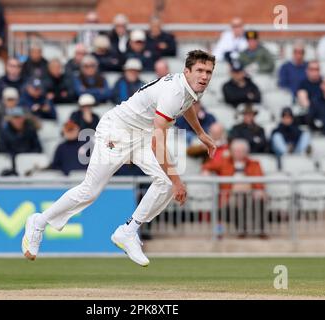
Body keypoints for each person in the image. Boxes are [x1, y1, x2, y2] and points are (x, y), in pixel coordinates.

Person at [21, 49, 217, 266]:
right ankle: (38, 222)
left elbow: (187, 104)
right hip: (117, 131)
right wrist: (178, 181)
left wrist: (200, 133)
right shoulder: (174, 91)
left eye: (208, 71)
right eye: (200, 70)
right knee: (90, 191)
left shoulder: (191, 87)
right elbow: (158, 143)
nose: (205, 76)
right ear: (186, 71)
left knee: (166, 181)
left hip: (141, 134)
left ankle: (127, 232)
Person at [202, 139, 266, 238]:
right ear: (231, 151)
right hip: (230, 195)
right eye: (236, 151)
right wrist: (206, 171)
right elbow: (207, 165)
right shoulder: (224, 162)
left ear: (246, 152)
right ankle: (241, 230)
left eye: (242, 151)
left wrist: (259, 190)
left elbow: (259, 181)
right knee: (238, 200)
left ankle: (261, 230)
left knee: (260, 198)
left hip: (250, 193)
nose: (239, 153)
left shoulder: (254, 163)